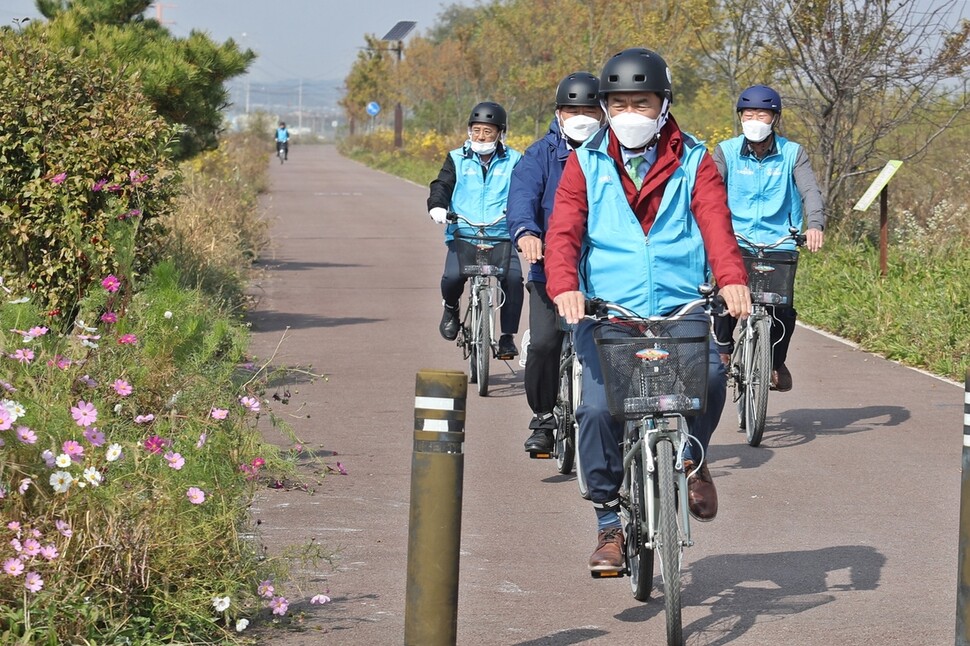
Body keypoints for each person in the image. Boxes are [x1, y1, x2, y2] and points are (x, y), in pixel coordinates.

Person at [544, 48, 751, 573]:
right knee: (596, 410)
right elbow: (564, 231)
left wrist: (730, 279)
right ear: (606, 108)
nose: (630, 112)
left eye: (642, 101)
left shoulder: (695, 160)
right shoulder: (584, 162)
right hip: (609, 311)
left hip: (680, 305)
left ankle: (693, 457)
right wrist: (564, 285)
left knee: (707, 375)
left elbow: (716, 225)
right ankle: (609, 523)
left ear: (663, 105)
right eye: (620, 103)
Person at [506, 72, 604, 454]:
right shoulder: (540, 154)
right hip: (549, 267)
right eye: (572, 109)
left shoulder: (615, 153)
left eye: (589, 110)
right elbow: (522, 197)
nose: (581, 116)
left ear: (602, 112)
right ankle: (544, 417)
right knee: (545, 344)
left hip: (602, 272)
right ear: (559, 114)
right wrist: (526, 233)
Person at [711, 85, 825, 392]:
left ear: (774, 118)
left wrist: (815, 224)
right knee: (725, 297)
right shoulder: (727, 151)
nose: (755, 120)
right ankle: (722, 348)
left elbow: (810, 191)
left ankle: (775, 361)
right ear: (741, 117)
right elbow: (709, 192)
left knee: (782, 308)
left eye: (762, 114)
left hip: (780, 241)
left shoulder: (792, 153)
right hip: (736, 239)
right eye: (749, 114)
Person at [427, 101, 524, 359]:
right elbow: (442, 185)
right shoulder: (457, 158)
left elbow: (525, 192)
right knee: (452, 277)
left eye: (488, 131)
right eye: (476, 130)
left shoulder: (514, 159)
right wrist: (437, 206)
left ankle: (506, 337)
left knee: (513, 280)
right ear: (470, 131)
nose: (481, 136)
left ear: (500, 133)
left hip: (502, 234)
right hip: (465, 232)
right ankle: (450, 308)